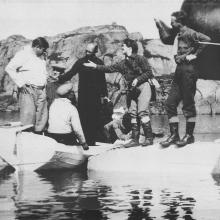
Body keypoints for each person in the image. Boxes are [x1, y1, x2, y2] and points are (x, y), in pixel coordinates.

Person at [84, 38, 157, 147]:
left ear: (130, 48)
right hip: (132, 90)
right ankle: (135, 140)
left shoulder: (140, 59)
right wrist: (95, 66)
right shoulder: (123, 63)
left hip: (143, 87)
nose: (121, 47)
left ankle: (149, 138)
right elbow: (109, 68)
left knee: (142, 112)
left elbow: (149, 73)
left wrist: (138, 79)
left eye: (123, 46)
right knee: (133, 113)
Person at [155, 11, 211, 147]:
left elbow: (207, 39)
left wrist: (195, 55)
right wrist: (158, 25)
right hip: (179, 71)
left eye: (172, 21)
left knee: (188, 105)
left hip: (189, 71)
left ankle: (189, 136)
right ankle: (174, 135)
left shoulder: (190, 32)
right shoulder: (178, 34)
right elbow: (167, 38)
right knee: (170, 103)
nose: (171, 23)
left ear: (180, 22)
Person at [58, 43, 108, 146]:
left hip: (95, 96)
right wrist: (59, 79)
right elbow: (71, 73)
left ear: (95, 52)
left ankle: (92, 142)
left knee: (94, 118)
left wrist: (104, 95)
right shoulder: (81, 62)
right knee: (83, 118)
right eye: (86, 51)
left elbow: (102, 81)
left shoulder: (99, 63)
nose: (87, 53)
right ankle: (85, 141)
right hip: (83, 96)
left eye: (89, 52)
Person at [5, 37, 49, 134]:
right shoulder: (23, 54)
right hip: (28, 90)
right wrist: (21, 84)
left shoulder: (41, 56)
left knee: (42, 117)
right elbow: (9, 68)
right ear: (37, 47)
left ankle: (38, 138)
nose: (44, 51)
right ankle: (26, 138)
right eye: (43, 49)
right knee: (28, 117)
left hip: (41, 90)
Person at [46, 83, 89, 150]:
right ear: (70, 95)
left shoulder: (53, 105)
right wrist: (83, 143)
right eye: (72, 93)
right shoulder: (71, 108)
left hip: (51, 136)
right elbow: (77, 129)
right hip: (65, 137)